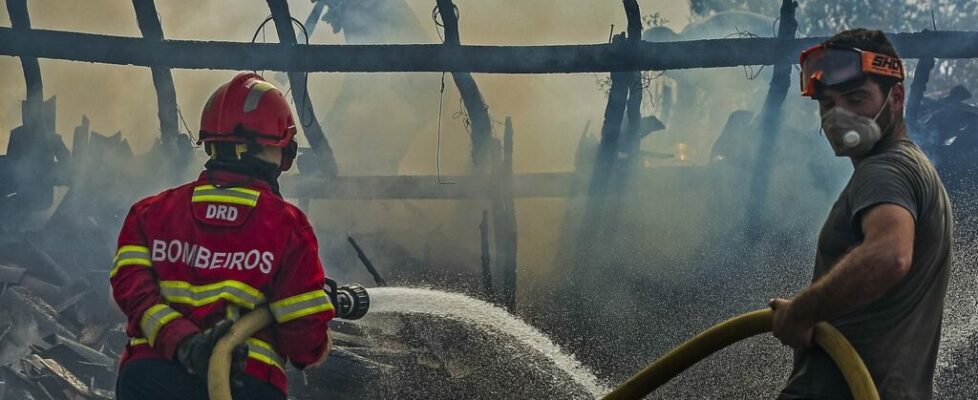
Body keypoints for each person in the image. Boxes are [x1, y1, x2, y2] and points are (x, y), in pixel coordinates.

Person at [110, 72, 335, 400]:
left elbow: (135, 296)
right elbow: (302, 341)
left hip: (149, 381)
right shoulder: (287, 226)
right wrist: (318, 340)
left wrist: (184, 343)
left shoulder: (149, 214)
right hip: (244, 384)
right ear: (280, 150)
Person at [770, 29, 953, 399]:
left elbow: (889, 256)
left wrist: (803, 312)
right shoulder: (913, 167)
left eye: (856, 98)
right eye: (828, 104)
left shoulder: (885, 170)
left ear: (896, 97)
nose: (840, 116)